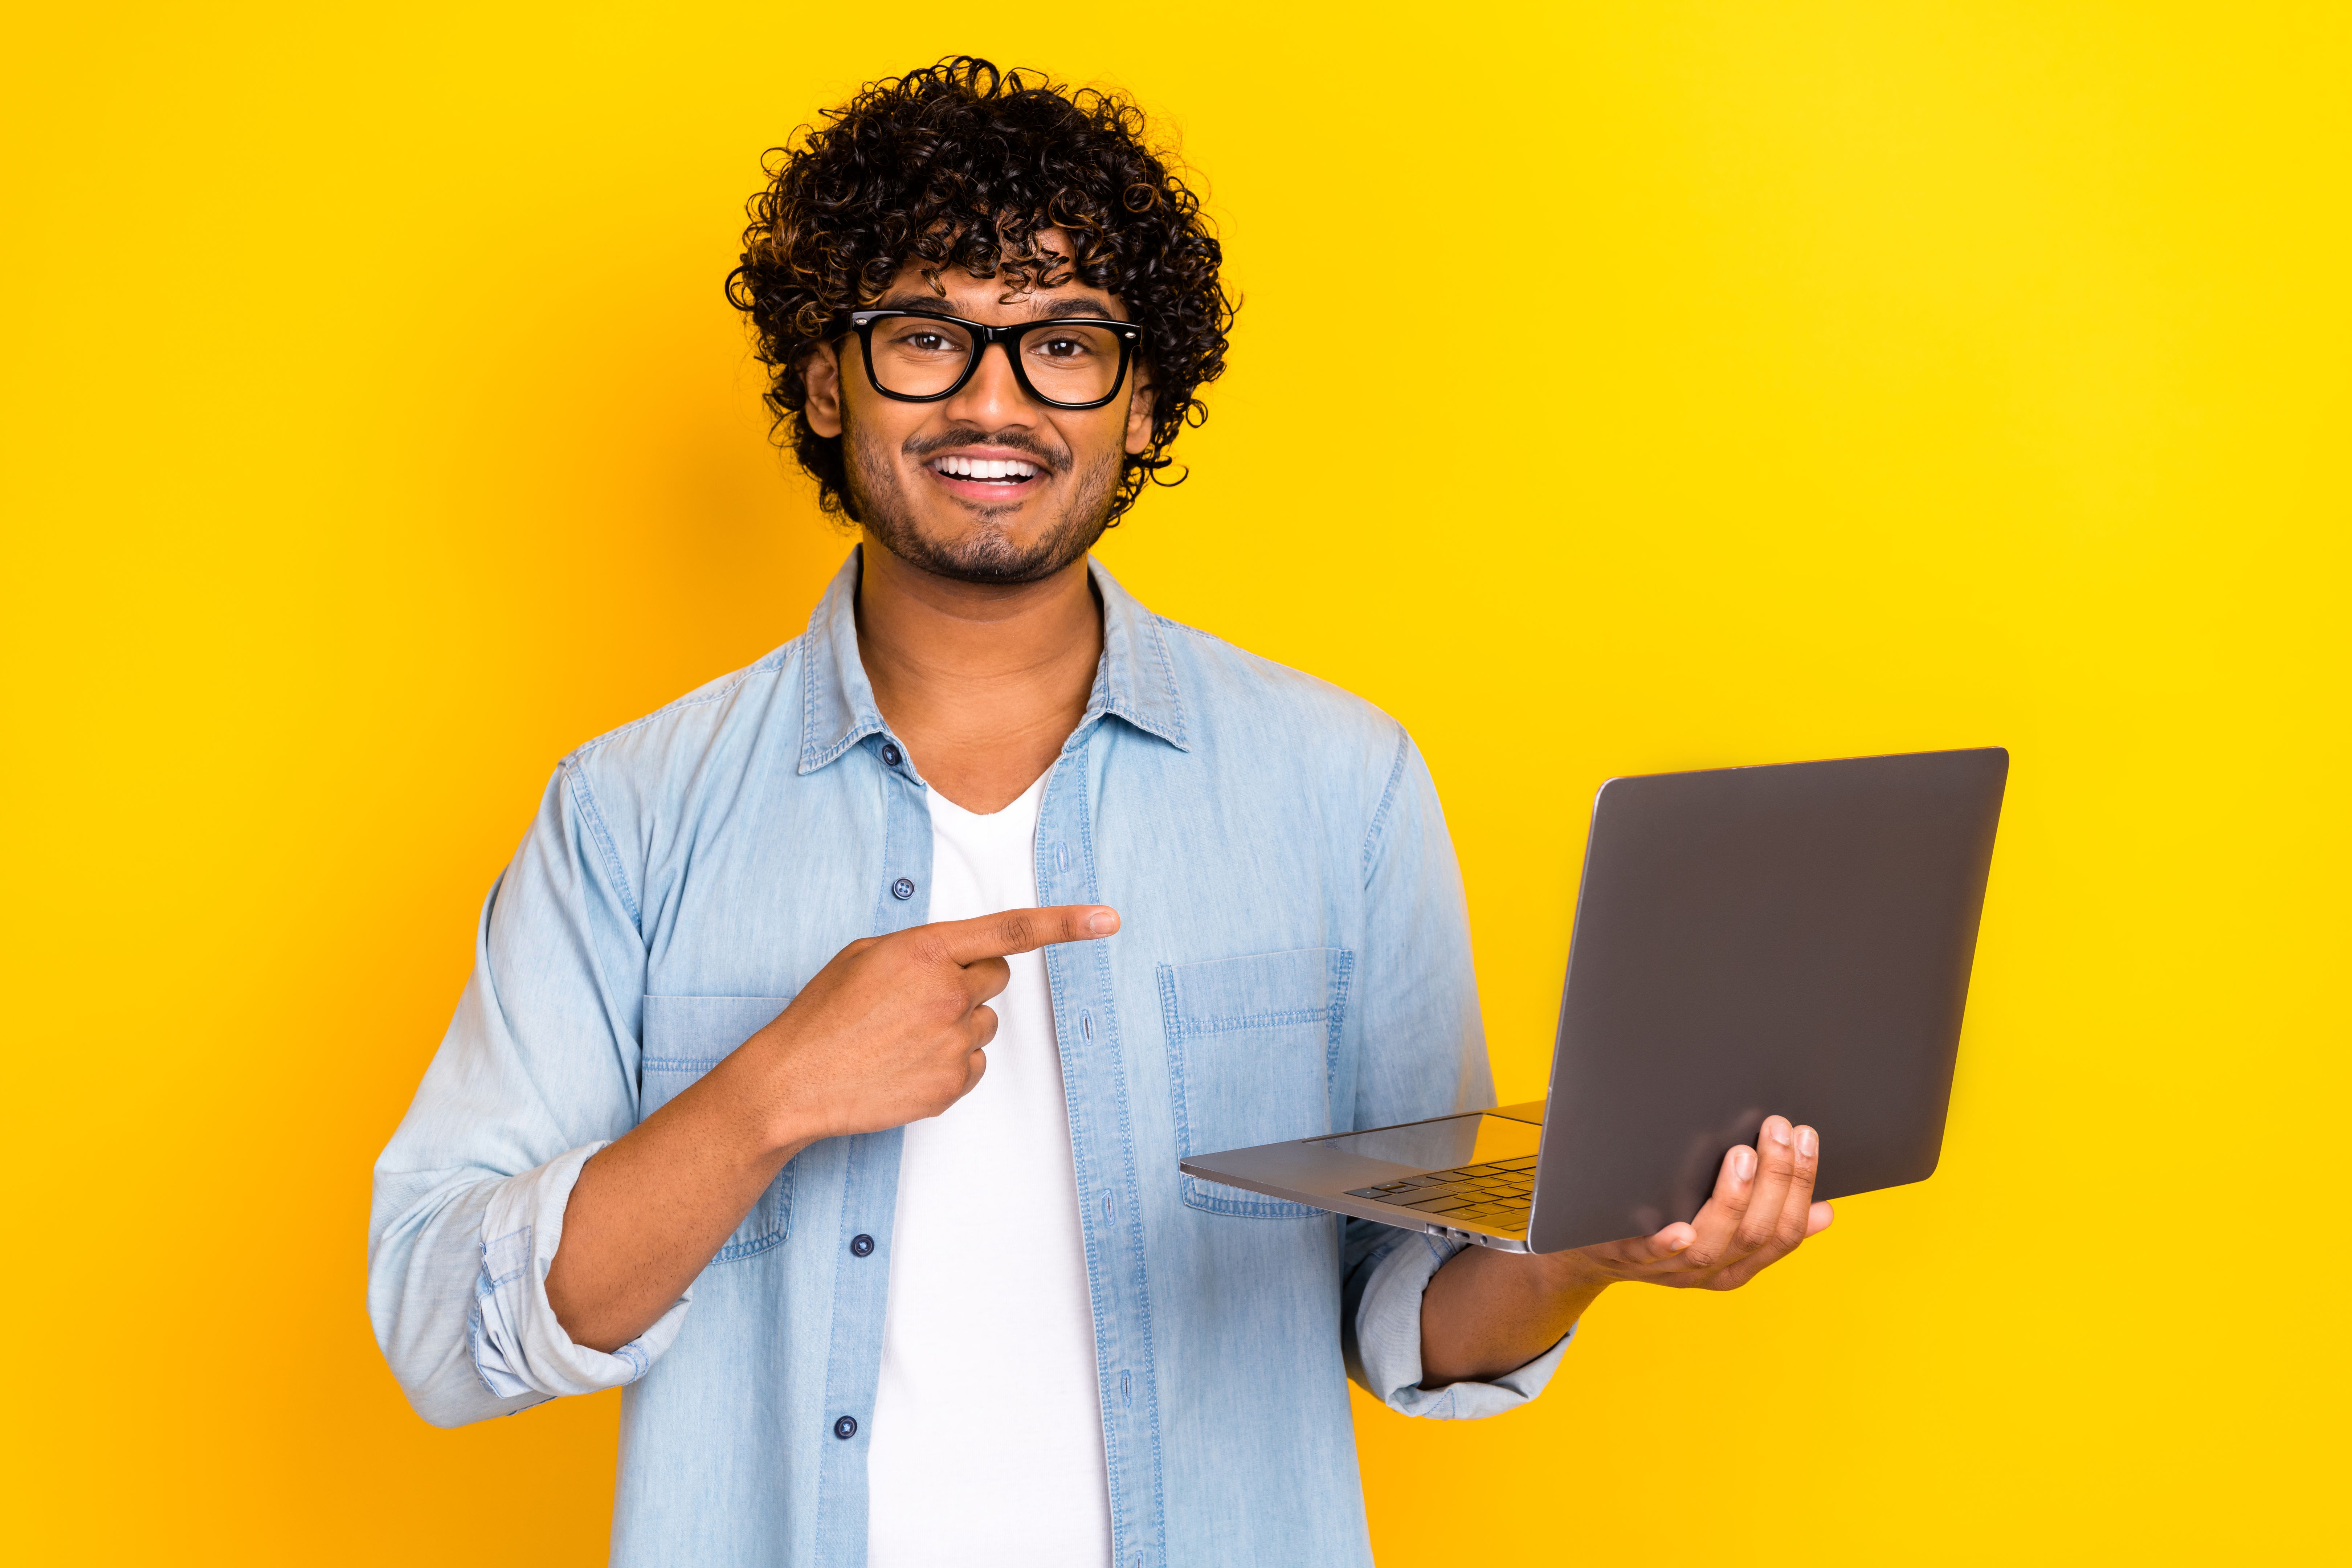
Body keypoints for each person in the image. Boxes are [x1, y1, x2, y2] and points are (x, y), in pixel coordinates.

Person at [368, 56, 1832, 1568]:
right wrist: (766, 1098)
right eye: (926, 337)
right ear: (826, 380)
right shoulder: (630, 811)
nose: (993, 402)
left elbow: (1410, 1310)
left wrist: (1584, 1251)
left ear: (1143, 405)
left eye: (1063, 345)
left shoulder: (1341, 787)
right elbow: (436, 1324)